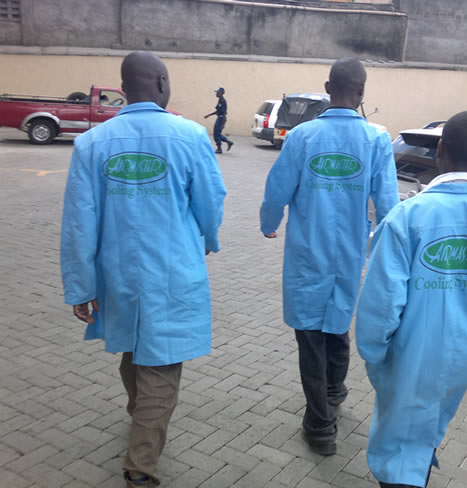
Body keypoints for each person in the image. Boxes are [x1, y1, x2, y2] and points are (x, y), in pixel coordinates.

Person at [60, 51, 227, 488]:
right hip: (171, 272)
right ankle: (141, 467)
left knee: (134, 350)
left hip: (117, 274)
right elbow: (211, 200)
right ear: (162, 83)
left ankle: (142, 418)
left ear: (123, 89)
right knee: (161, 365)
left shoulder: (92, 143)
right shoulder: (190, 136)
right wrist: (208, 240)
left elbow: (79, 222)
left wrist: (81, 286)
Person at [356, 111, 467, 488]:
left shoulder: (407, 217)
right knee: (427, 429)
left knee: (398, 449)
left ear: (440, 149)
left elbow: (381, 304)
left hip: (409, 355)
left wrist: (374, 354)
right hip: (462, 360)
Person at [259, 57, 399, 456]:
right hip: (349, 256)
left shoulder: (302, 137)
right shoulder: (376, 140)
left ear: (326, 87)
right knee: (337, 324)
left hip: (308, 255)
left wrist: (269, 222)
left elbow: (277, 190)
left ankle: (320, 425)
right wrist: (386, 252)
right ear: (362, 92)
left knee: (310, 336)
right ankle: (334, 390)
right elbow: (388, 205)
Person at [204, 87, 233, 153]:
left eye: (217, 92)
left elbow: (224, 113)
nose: (216, 93)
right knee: (217, 134)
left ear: (221, 93)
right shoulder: (220, 100)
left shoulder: (223, 101)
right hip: (220, 118)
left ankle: (219, 148)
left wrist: (223, 124)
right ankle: (228, 142)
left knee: (216, 134)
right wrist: (208, 115)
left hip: (221, 119)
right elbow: (217, 111)